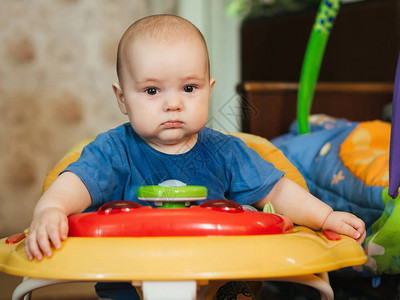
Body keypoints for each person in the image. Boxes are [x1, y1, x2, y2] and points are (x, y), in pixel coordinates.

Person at [25, 14, 366, 299]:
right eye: (152, 90)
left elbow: (277, 191)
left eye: (189, 88)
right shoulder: (113, 150)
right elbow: (76, 182)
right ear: (122, 98)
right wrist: (51, 209)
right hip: (130, 280)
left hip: (217, 280)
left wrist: (325, 217)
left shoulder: (226, 151)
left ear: (210, 89)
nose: (173, 103)